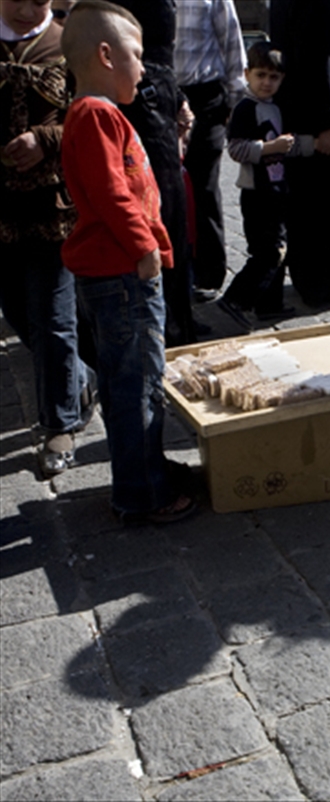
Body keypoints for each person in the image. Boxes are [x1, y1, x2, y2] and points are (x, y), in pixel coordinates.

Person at [59, 0, 196, 523]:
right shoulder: (95, 114)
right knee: (138, 383)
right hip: (122, 276)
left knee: (130, 381)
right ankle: (143, 494)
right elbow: (114, 194)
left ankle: (147, 470)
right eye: (137, 56)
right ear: (105, 56)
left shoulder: (103, 113)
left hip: (115, 275)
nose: (145, 67)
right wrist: (144, 250)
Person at [0, 0, 94, 478]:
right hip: (0, 211)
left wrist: (45, 139)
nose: (24, 8)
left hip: (51, 209)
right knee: (19, 312)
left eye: (37, 0)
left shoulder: (66, 42)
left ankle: (60, 424)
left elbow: (87, 112)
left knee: (54, 317)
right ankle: (80, 378)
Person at [113, 0, 196, 346]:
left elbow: (165, 56)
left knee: (173, 217)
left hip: (160, 92)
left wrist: (177, 98)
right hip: (139, 96)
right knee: (155, 214)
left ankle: (179, 320)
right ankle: (161, 326)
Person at [219, 40, 317, 324]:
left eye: (273, 77)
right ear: (248, 74)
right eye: (261, 75)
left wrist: (315, 144)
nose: (267, 82)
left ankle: (269, 304)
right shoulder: (246, 108)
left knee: (279, 250)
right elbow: (236, 149)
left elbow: (289, 146)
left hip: (277, 190)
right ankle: (236, 298)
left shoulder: (275, 107)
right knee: (268, 251)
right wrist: (267, 148)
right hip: (256, 193)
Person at [269, 0, 330, 307]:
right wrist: (327, 122)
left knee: (305, 201)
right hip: (316, 117)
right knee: (321, 200)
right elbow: (318, 60)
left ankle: (314, 275)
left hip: (297, 111)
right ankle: (319, 280)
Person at [174, 0, 245, 302]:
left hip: (205, 95)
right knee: (169, 189)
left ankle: (210, 273)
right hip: (163, 96)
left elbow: (231, 42)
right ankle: (176, 270)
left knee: (203, 186)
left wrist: (236, 100)